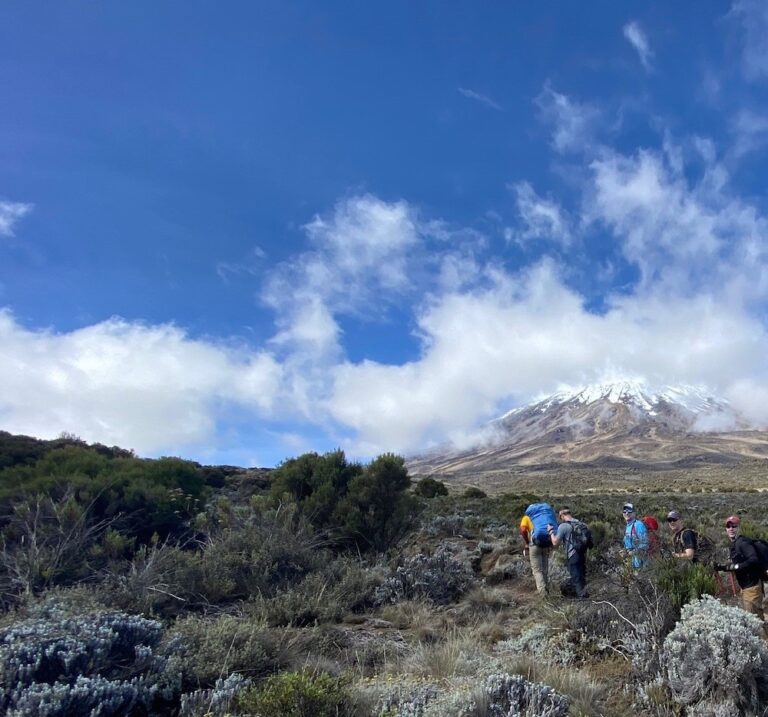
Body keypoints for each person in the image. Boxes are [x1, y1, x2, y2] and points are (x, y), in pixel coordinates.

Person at [716, 515, 766, 629]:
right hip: (747, 588)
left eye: (734, 526)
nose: (731, 529)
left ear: (739, 527)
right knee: (756, 620)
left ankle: (763, 640)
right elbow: (740, 563)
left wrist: (736, 566)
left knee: (754, 623)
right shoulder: (735, 544)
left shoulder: (743, 543)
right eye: (728, 526)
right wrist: (724, 567)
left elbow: (753, 559)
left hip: (752, 588)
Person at [548, 507, 589, 598]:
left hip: (572, 555)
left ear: (562, 515)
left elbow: (555, 542)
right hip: (582, 554)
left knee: (576, 579)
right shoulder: (581, 524)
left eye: (560, 517)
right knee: (581, 578)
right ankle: (584, 597)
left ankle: (583, 601)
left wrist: (551, 532)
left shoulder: (564, 526)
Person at [519, 503, 556, 594]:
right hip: (546, 543)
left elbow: (523, 530)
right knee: (545, 569)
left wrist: (527, 542)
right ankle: (546, 589)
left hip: (534, 545)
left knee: (537, 570)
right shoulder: (543, 517)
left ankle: (543, 593)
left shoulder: (526, 518)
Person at [622, 503, 649, 569]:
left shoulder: (639, 525)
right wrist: (625, 551)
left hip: (642, 565)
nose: (627, 513)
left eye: (629, 511)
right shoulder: (628, 526)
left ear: (634, 513)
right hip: (633, 564)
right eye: (625, 511)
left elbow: (645, 544)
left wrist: (633, 552)